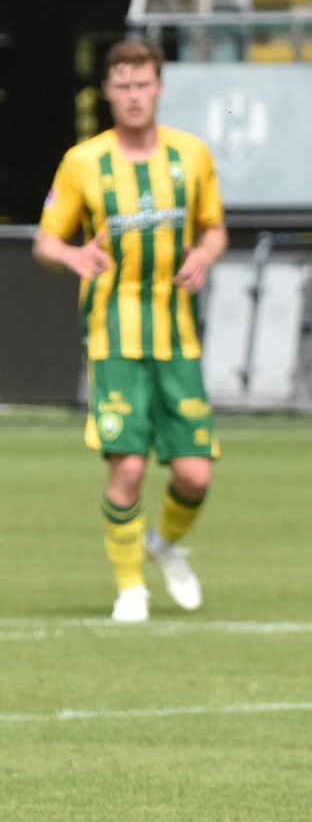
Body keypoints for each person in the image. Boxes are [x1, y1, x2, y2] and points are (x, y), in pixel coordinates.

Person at [33, 36, 227, 623]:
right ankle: (130, 589)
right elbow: (45, 241)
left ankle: (163, 546)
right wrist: (71, 258)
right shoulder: (83, 162)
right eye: (123, 85)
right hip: (112, 334)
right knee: (130, 466)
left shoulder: (190, 155)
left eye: (143, 84)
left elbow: (215, 229)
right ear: (107, 91)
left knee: (194, 473)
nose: (134, 95)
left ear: (159, 87)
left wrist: (206, 257)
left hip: (178, 335)